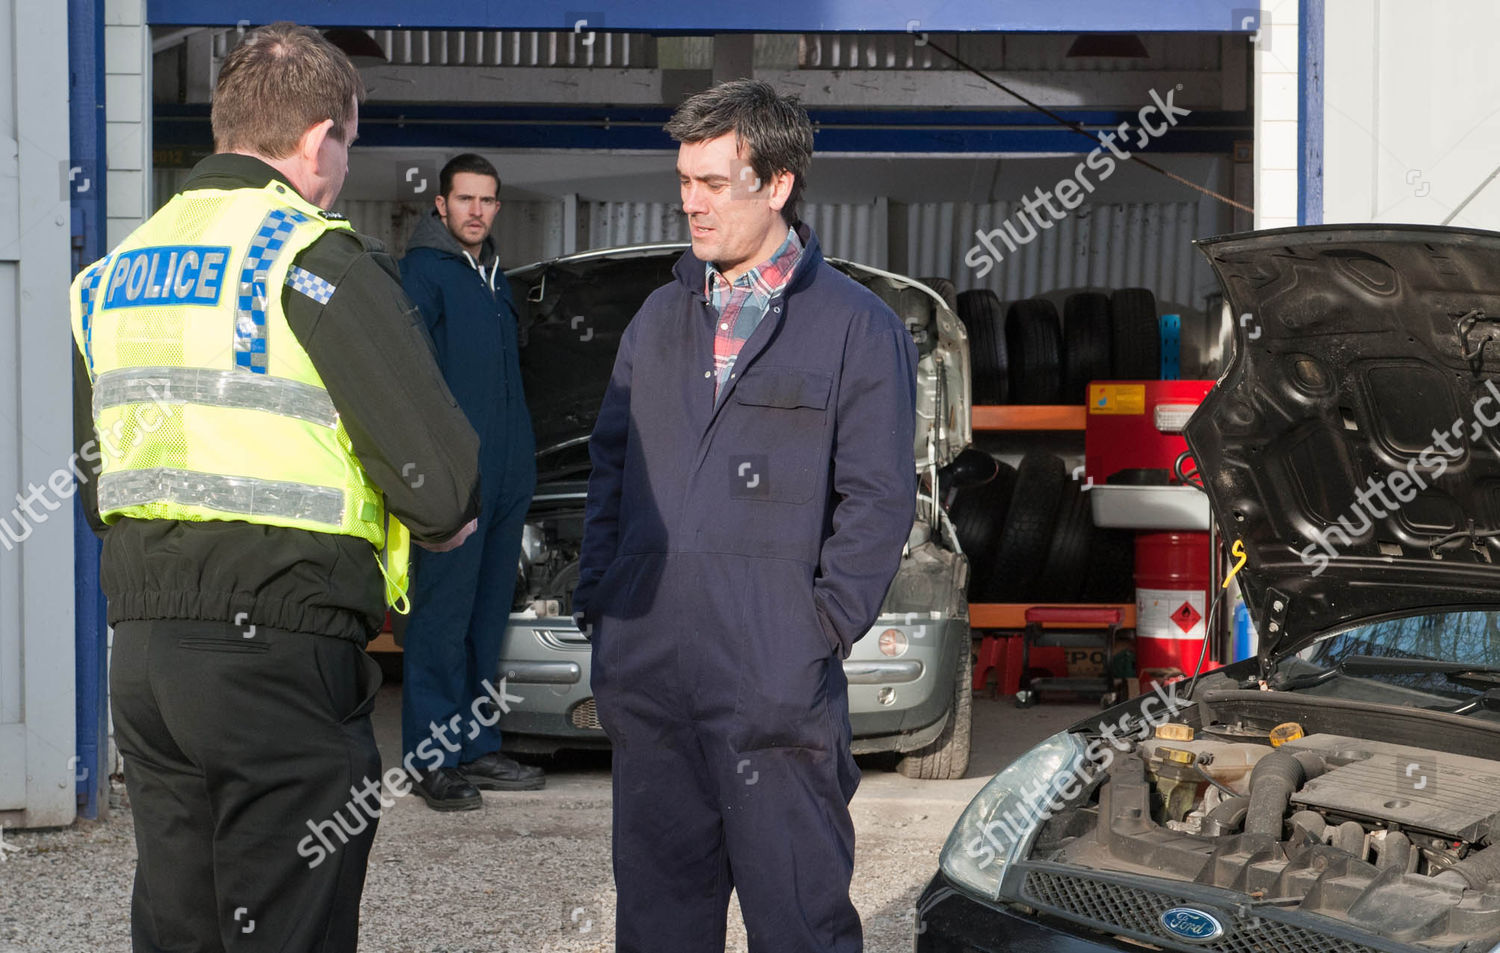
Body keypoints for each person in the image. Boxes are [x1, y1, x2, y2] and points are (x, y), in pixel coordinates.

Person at [68, 22, 480, 952]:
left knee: (182, 922)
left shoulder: (115, 275)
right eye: (349, 140)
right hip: (281, 652)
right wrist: (440, 517)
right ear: (318, 138)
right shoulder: (312, 259)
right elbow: (443, 485)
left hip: (145, 655)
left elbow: (101, 484)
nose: (343, 165)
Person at [574, 79, 918, 953]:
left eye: (714, 182)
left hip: (774, 687)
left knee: (799, 923)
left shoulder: (854, 327)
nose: (691, 202)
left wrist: (812, 630)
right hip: (651, 680)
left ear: (777, 184)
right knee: (656, 926)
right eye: (685, 180)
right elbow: (611, 469)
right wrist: (604, 608)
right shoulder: (656, 320)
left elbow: (878, 501)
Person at [398, 154, 542, 809]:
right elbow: (412, 386)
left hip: (508, 474)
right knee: (442, 616)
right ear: (440, 204)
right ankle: (432, 759)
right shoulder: (424, 274)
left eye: (487, 200)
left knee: (488, 616)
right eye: (465, 199)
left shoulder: (494, 277)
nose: (476, 211)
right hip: (455, 478)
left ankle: (477, 744)